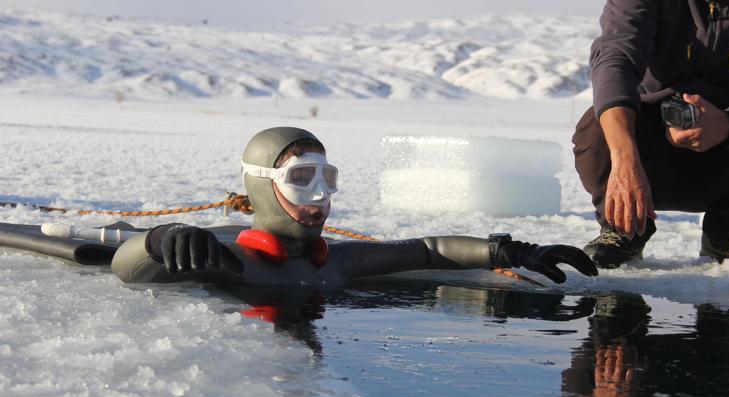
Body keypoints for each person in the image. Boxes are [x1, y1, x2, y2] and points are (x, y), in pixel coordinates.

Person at [111, 127, 598, 286]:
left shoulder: (336, 263)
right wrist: (157, 240)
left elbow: (427, 250)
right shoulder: (232, 261)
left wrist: (512, 251)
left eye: (328, 178)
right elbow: (123, 267)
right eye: (300, 179)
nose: (320, 195)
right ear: (262, 187)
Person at [572, 0, 729, 269]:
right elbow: (614, 59)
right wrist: (625, 159)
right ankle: (626, 230)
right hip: (650, 153)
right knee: (598, 128)